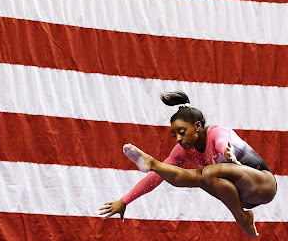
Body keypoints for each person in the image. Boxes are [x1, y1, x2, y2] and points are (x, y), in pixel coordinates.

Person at [98, 91, 277, 238]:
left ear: (197, 126)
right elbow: (158, 178)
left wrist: (225, 151)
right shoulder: (183, 150)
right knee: (189, 175)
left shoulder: (215, 132)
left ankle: (242, 218)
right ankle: (153, 163)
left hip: (263, 184)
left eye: (182, 132)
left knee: (207, 174)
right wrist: (125, 200)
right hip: (243, 197)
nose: (179, 139)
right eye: (174, 135)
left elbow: (223, 141)